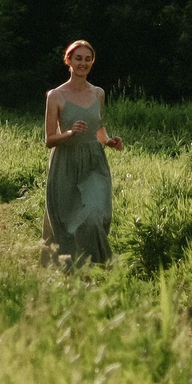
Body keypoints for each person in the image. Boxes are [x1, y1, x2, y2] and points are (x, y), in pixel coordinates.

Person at [43, 39, 122, 265]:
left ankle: (102, 267)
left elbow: (98, 127)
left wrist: (108, 141)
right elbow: (49, 140)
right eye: (78, 58)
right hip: (65, 165)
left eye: (88, 59)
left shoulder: (98, 93)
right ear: (68, 61)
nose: (83, 63)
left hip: (94, 164)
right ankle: (74, 272)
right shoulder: (56, 96)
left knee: (96, 218)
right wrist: (69, 133)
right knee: (68, 224)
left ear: (92, 62)